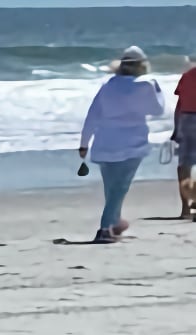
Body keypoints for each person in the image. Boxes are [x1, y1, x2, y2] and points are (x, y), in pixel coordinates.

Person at [80, 46, 167, 243]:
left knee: (112, 188)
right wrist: (158, 90)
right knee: (120, 187)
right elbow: (158, 110)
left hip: (104, 142)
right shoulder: (146, 85)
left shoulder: (108, 85)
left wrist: (84, 143)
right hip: (131, 143)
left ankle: (115, 222)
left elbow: (92, 115)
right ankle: (105, 228)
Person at [177, 52, 196, 220]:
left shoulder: (187, 76)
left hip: (186, 119)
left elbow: (179, 103)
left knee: (184, 166)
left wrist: (176, 129)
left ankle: (185, 209)